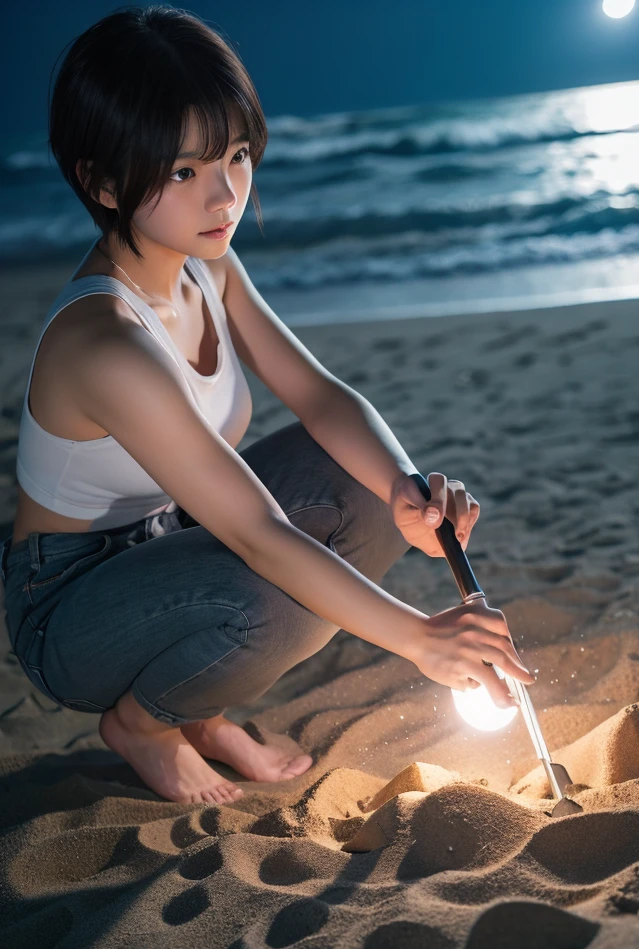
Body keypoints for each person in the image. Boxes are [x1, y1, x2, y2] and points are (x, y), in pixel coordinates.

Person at [0, 6, 533, 806]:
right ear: (103, 182)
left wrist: (405, 491)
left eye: (237, 156)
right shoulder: (104, 342)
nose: (225, 196)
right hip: (70, 608)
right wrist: (423, 640)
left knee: (365, 493)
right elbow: (256, 534)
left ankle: (197, 707)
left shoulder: (206, 265)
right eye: (184, 172)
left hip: (172, 538)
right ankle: (144, 724)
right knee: (273, 601)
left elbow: (319, 395)